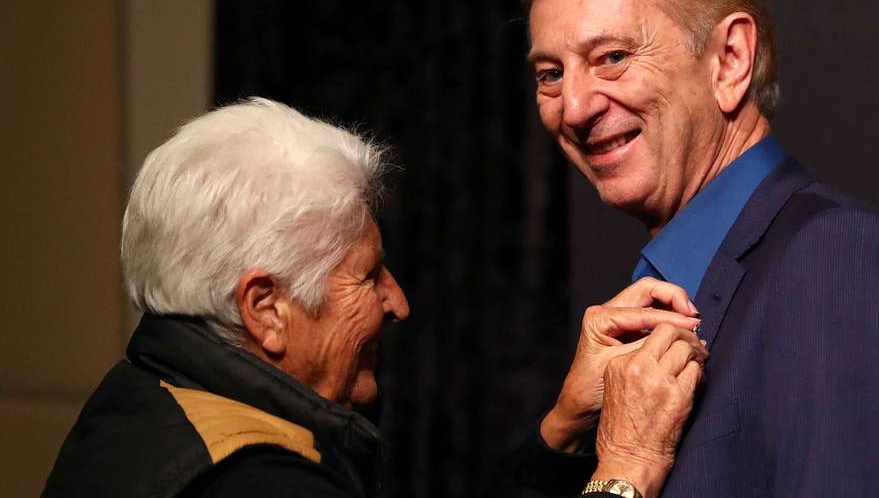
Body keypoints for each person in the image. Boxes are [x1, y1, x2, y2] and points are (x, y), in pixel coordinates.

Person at [42, 98, 706, 497]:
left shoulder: (146, 398)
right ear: (266, 309)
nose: (398, 302)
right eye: (367, 276)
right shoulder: (255, 482)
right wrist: (627, 469)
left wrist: (560, 431)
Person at [518, 0, 879, 496]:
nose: (574, 108)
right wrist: (563, 435)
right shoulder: (663, 292)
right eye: (551, 74)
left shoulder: (834, 258)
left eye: (612, 57)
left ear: (730, 60)